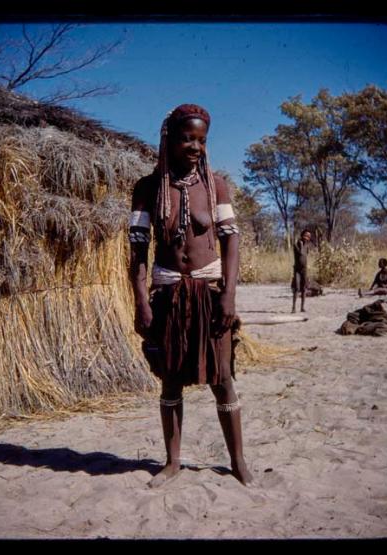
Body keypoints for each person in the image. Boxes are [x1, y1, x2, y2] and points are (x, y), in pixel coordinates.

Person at [128, 103, 253, 487]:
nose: (195, 147)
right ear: (169, 139)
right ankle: (172, 462)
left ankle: (238, 461)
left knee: (223, 379)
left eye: (201, 140)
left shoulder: (215, 186)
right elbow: (137, 250)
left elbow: (231, 244)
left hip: (210, 293)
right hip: (168, 295)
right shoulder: (148, 189)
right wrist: (142, 301)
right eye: (188, 138)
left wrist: (229, 295)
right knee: (170, 379)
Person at [291, 229, 311, 313]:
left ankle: (302, 307)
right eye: (305, 236)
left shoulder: (307, 246)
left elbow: (306, 255)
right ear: (302, 235)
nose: (307, 238)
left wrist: (304, 244)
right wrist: (301, 244)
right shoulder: (296, 245)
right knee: (296, 288)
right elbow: (301, 253)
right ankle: (294, 307)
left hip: (304, 269)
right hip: (297, 270)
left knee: (303, 288)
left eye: (309, 236)